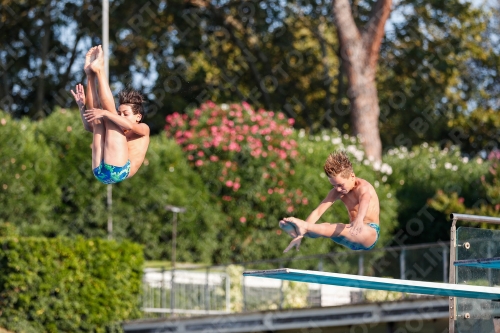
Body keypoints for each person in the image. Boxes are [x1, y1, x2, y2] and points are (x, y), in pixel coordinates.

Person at [71, 45, 150, 184]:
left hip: (118, 170)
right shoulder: (121, 131)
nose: (121, 116)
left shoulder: (143, 129)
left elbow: (128, 125)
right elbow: (89, 126)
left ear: (138, 117)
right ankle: (90, 74)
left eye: (125, 113)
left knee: (107, 116)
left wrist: (107, 113)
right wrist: (82, 106)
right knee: (97, 122)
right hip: (100, 172)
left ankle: (99, 70)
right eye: (120, 113)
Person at [279, 150, 380, 253]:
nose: (338, 189)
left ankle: (304, 227)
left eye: (340, 185)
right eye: (334, 185)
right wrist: (300, 237)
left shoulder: (363, 187)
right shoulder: (337, 191)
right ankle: (298, 232)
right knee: (324, 228)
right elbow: (318, 212)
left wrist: (359, 219)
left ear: (352, 176)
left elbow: (365, 199)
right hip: (351, 235)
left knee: (338, 228)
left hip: (369, 233)